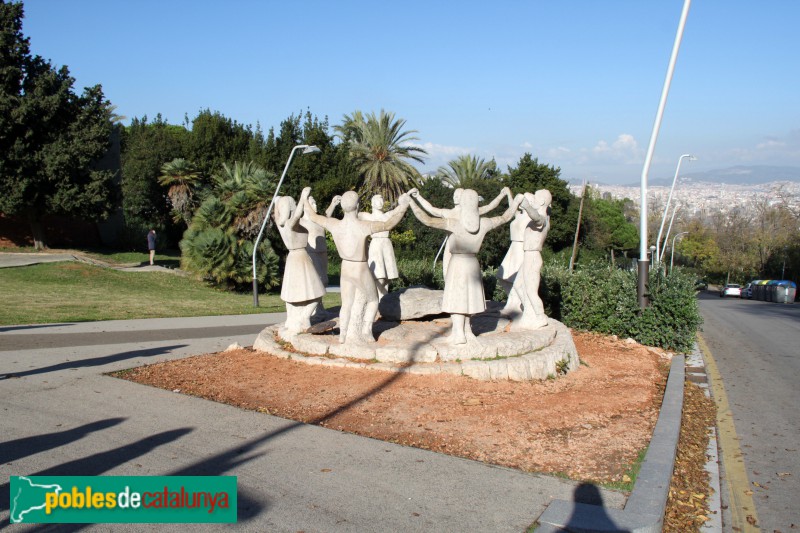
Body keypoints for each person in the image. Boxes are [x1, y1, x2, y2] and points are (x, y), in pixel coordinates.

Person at [409, 188, 523, 344]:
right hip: (472, 264)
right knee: (469, 298)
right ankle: (468, 330)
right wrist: (515, 203)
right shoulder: (483, 223)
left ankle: (458, 333)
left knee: (457, 299)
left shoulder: (454, 223)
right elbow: (504, 217)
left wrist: (411, 203)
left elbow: (427, 220)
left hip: (457, 263)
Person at [302, 188, 410, 344]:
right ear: (358, 206)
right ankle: (366, 331)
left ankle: (343, 335)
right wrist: (403, 207)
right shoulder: (364, 225)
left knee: (346, 304)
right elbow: (388, 224)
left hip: (345, 268)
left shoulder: (335, 224)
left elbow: (313, 216)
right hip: (360, 268)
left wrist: (305, 198)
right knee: (373, 300)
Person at [411, 187, 511, 276]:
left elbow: (489, 206)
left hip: (466, 249)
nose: (455, 197)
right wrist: (418, 197)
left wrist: (502, 195)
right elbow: (431, 209)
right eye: (454, 195)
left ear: (463, 198)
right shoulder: (449, 212)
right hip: (451, 246)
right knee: (447, 274)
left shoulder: (472, 213)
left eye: (458, 196)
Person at [274, 189, 326, 333]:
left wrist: (276, 204)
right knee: (317, 293)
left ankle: (292, 319)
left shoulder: (280, 225)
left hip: (293, 259)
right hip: (301, 258)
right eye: (294, 203)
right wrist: (303, 197)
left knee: (291, 295)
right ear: (291, 207)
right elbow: (297, 215)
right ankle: (304, 317)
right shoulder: (291, 224)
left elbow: (277, 214)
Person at [510, 190, 551, 330]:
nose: (533, 198)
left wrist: (526, 205)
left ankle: (540, 316)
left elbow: (536, 217)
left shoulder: (543, 218)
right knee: (517, 285)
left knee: (531, 291)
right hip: (528, 256)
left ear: (541, 202)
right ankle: (529, 312)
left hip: (533, 257)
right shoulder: (540, 217)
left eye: (536, 196)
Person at [358, 194, 407, 298]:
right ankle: (376, 298)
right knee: (378, 275)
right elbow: (353, 214)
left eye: (381, 200)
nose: (380, 203)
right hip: (376, 244)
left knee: (387, 276)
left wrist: (407, 197)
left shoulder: (387, 215)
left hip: (386, 244)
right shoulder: (367, 216)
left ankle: (384, 298)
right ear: (372, 203)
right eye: (377, 200)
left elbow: (399, 209)